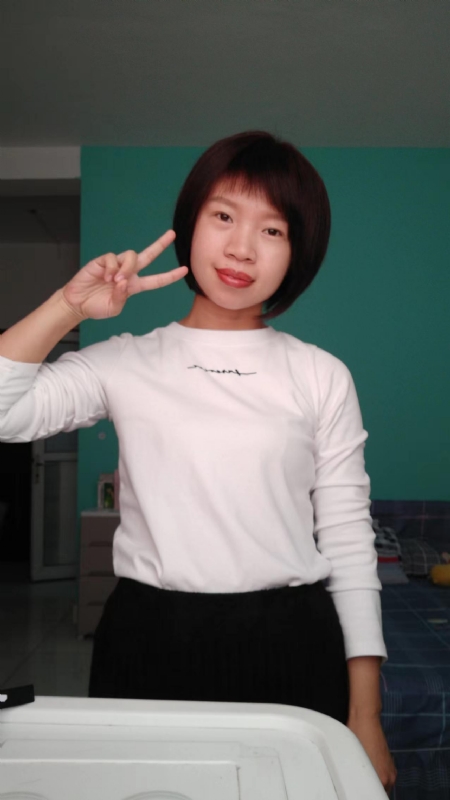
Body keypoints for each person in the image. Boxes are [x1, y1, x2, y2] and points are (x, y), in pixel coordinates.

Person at [0, 131, 396, 793]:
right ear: (190, 225)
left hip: (292, 640)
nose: (242, 248)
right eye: (224, 216)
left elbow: (350, 543)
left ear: (297, 252)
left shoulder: (320, 375)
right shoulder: (126, 360)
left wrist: (367, 714)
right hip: (148, 637)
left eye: (272, 230)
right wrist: (68, 307)